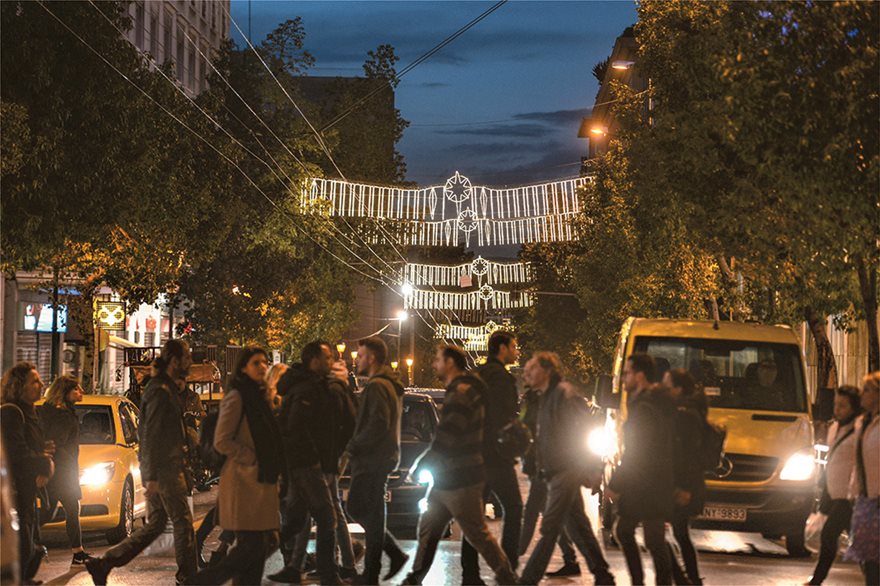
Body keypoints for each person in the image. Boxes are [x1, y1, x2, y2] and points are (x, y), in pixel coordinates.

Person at [402, 345, 517, 585]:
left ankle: (506, 576)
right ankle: (414, 578)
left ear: (450, 362)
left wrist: (421, 463)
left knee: (477, 533)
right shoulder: (464, 389)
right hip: (449, 476)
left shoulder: (463, 391)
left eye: (438, 360)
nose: (434, 364)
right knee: (429, 528)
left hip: (461, 477)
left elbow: (448, 434)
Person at [86, 340, 197, 586]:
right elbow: (151, 435)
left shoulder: (165, 388)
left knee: (157, 524)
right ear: (175, 361)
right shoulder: (160, 391)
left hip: (166, 467)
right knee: (183, 521)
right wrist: (152, 477)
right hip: (166, 469)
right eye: (187, 356)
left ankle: (104, 563)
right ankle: (189, 577)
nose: (190, 361)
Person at [518, 353, 615, 586]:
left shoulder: (563, 394)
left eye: (532, 368)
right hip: (556, 471)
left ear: (547, 371)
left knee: (550, 527)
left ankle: (527, 580)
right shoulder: (547, 396)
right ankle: (603, 575)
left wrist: (593, 468)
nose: (526, 373)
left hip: (565, 470)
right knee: (578, 526)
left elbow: (583, 430)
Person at [191, 347, 284, 585]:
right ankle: (203, 581)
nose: (263, 366)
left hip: (261, 481)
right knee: (254, 545)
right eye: (256, 363)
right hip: (244, 482)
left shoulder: (261, 397)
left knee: (259, 546)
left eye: (264, 362)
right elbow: (222, 440)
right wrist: (251, 457)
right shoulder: (238, 397)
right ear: (244, 368)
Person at [269, 341, 347, 585]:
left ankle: (284, 564)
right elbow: (296, 430)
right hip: (307, 465)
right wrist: (313, 459)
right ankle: (329, 575)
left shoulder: (317, 386)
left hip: (311, 464)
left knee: (297, 520)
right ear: (313, 360)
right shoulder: (306, 389)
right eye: (326, 357)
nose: (331, 361)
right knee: (327, 517)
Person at [607, 353, 674, 586]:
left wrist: (616, 484)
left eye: (627, 373)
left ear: (640, 375)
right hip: (652, 481)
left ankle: (647, 581)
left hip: (649, 483)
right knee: (646, 536)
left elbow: (638, 449)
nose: (623, 378)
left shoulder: (645, 405)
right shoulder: (650, 401)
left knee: (630, 532)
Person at [461, 331, 523, 584]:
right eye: (514, 346)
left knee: (474, 517)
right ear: (501, 348)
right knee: (515, 508)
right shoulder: (501, 378)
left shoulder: (478, 375)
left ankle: (470, 574)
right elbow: (502, 418)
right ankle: (506, 569)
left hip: (476, 455)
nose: (517, 351)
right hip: (495, 457)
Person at [345, 336, 408, 585]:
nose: (357, 360)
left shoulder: (378, 386)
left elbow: (378, 423)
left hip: (372, 458)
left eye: (360, 355)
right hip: (381, 457)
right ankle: (378, 567)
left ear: (371, 358)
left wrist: (354, 445)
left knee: (358, 508)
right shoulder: (388, 384)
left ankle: (384, 561)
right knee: (372, 512)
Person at [517, 384, 579, 577]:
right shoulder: (536, 399)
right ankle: (571, 558)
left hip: (543, 466)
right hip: (541, 464)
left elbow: (532, 430)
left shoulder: (543, 401)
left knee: (531, 512)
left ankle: (512, 556)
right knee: (551, 513)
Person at [1, 363, 54, 584]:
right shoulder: (11, 412)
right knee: (20, 543)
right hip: (13, 493)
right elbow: (16, 453)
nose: (41, 385)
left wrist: (44, 455)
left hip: (27, 490)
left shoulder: (30, 412)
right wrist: (43, 461)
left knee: (30, 541)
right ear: (19, 386)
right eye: (34, 381)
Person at [807, 386, 861, 585]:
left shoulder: (859, 429)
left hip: (849, 496)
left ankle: (817, 580)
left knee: (830, 534)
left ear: (854, 407)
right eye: (836, 404)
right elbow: (832, 460)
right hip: (835, 493)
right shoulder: (834, 428)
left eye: (843, 406)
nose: (838, 410)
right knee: (858, 542)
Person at [38, 375, 93, 566]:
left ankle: (20, 537)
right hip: (61, 471)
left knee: (49, 511)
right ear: (65, 393)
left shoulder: (49, 411)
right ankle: (78, 553)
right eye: (77, 389)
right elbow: (56, 443)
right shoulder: (63, 417)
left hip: (55, 470)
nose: (81, 392)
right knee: (69, 508)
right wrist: (68, 464)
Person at [664, 369, 707, 586]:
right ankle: (690, 579)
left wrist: (683, 488)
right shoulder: (686, 410)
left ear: (678, 389)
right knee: (680, 534)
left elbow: (689, 454)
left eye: (667, 385)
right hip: (680, 483)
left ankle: (686, 579)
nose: (663, 389)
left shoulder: (686, 414)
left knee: (665, 533)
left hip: (682, 485)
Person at [846, 371, 879, 585]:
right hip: (865, 500)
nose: (862, 394)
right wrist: (853, 489)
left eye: (867, 390)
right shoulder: (863, 422)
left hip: (878, 498)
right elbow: (858, 461)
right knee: (868, 557)